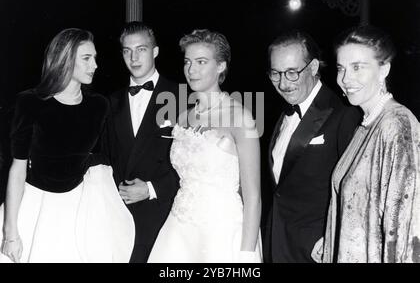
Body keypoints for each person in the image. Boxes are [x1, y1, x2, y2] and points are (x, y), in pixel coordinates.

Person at [0, 28, 135, 263]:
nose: (94, 65)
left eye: (94, 58)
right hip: (35, 202)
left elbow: (103, 156)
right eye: (86, 58)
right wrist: (10, 231)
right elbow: (18, 168)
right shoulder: (31, 102)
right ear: (64, 59)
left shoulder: (98, 105)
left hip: (81, 204)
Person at [147, 29, 262, 263]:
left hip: (221, 229)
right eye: (188, 62)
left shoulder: (241, 117)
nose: (191, 70)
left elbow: (254, 197)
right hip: (179, 228)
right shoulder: (182, 118)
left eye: (201, 62)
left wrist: (246, 255)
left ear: (220, 66)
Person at [316, 25, 420, 263]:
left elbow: (407, 228)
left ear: (384, 69)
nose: (345, 79)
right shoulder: (366, 126)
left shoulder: (397, 125)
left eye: (357, 67)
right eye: (341, 68)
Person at [264, 30, 360, 263]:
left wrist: (331, 238)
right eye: (275, 73)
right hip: (276, 242)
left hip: (316, 250)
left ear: (314, 67)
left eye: (292, 73)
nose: (283, 83)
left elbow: (356, 191)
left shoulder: (344, 113)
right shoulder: (284, 112)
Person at [101, 22, 179, 263]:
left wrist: (151, 189)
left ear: (155, 51)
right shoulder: (110, 102)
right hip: (121, 216)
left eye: (141, 49)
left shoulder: (182, 96)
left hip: (166, 215)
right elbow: (105, 160)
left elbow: (196, 164)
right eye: (127, 50)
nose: (134, 58)